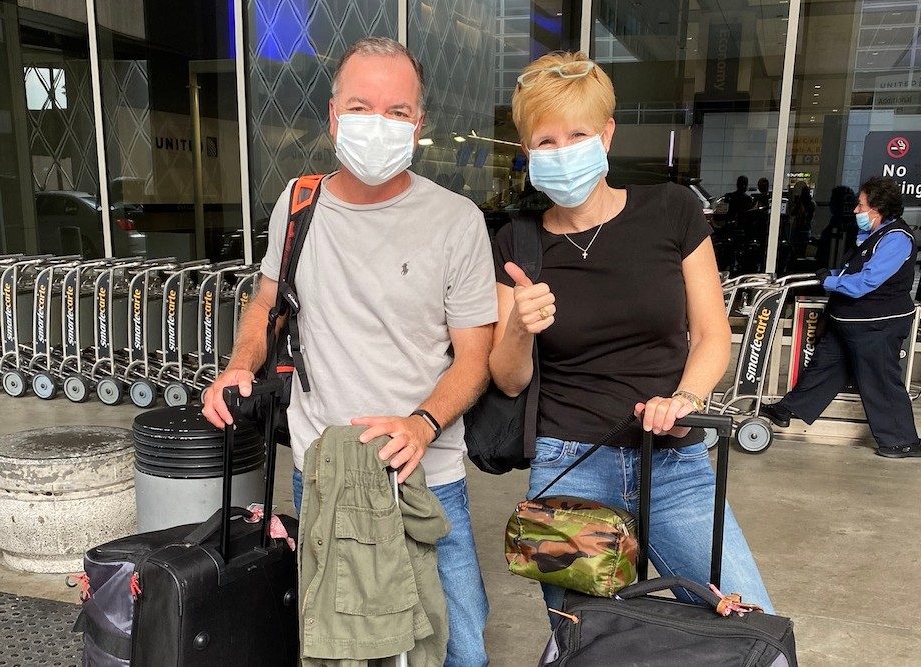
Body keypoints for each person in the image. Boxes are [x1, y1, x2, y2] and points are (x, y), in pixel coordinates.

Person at [202, 37, 497, 665]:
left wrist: (422, 425)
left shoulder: (457, 221)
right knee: (339, 649)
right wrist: (237, 365)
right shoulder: (299, 202)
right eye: (362, 107)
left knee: (458, 647)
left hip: (426, 473)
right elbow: (265, 305)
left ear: (419, 126)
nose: (378, 124)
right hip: (324, 473)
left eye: (397, 112)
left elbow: (475, 359)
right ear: (334, 116)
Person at [488, 51, 774, 625]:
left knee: (751, 626)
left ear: (608, 134)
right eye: (544, 141)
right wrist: (519, 326)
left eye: (577, 134)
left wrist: (686, 399)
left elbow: (713, 336)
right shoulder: (516, 243)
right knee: (590, 644)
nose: (561, 151)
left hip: (675, 460)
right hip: (571, 465)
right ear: (525, 152)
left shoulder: (671, 211)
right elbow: (508, 377)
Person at [761, 177, 920, 458]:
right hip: (848, 323)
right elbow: (853, 273)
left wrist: (829, 283)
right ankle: (789, 409)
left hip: (876, 326)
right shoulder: (873, 235)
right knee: (826, 366)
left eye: (861, 205)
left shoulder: (897, 238)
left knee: (879, 380)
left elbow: (866, 282)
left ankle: (900, 440)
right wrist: (829, 274)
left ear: (878, 208)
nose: (856, 211)